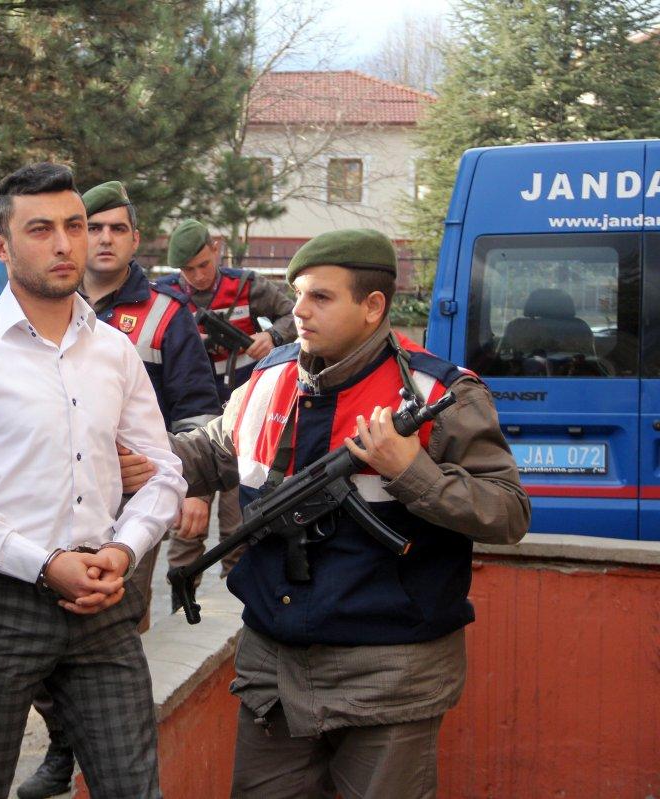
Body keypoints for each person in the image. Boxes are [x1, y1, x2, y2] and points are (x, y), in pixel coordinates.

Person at [169, 228, 530, 798]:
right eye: (297, 295)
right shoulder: (269, 377)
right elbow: (213, 451)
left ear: (372, 307)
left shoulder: (441, 394)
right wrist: (141, 459)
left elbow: (507, 513)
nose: (299, 312)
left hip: (390, 675)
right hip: (274, 669)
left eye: (320, 297)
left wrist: (412, 471)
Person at [0, 163, 185, 798]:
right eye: (41, 229)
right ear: (2, 246)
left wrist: (124, 548)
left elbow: (163, 470)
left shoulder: (115, 350)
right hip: (1, 607)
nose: (66, 245)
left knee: (133, 787)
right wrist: (41, 564)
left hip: (104, 602)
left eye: (75, 226)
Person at [16, 179, 220, 799]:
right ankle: (62, 740)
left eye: (113, 229)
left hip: (132, 509)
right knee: (34, 627)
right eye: (90, 226)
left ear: (134, 241)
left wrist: (188, 486)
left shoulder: (165, 315)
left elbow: (198, 413)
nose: (100, 239)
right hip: (42, 505)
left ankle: (96, 757)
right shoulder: (39, 297)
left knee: (107, 627)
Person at [158, 220, 297, 607]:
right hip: (189, 427)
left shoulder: (247, 285)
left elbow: (294, 314)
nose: (199, 276)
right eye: (189, 269)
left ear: (216, 248)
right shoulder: (165, 297)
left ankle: (236, 614)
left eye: (204, 264)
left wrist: (272, 337)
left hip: (243, 423)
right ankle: (179, 607)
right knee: (186, 534)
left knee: (240, 529)